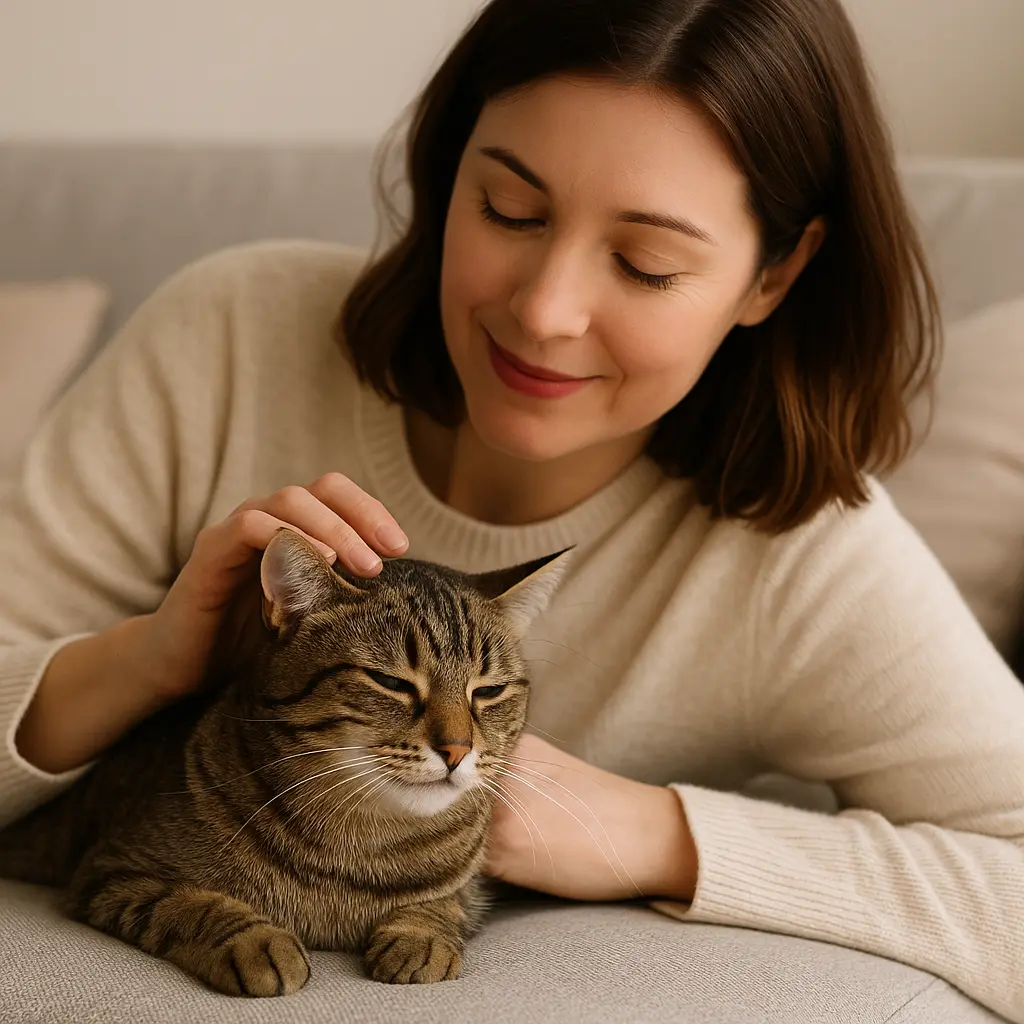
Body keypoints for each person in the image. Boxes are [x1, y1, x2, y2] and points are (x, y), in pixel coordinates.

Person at [1, 0, 1022, 1018]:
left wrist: (653, 833)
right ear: (446, 178)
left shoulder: (798, 557)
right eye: (509, 210)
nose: (543, 312)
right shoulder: (228, 336)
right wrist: (144, 661)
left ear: (773, 274)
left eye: (644, 263)